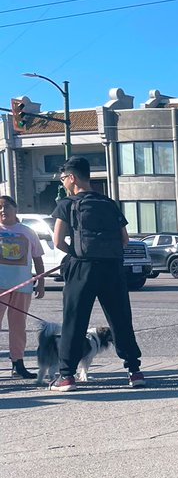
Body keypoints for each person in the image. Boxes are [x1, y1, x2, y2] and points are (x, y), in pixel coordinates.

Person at [50, 157, 144, 391]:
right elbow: (124, 239)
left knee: (75, 319)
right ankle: (134, 371)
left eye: (63, 179)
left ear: (72, 177)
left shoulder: (66, 204)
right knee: (120, 318)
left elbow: (57, 241)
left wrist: (75, 253)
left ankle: (66, 376)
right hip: (112, 267)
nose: (63, 184)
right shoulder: (109, 203)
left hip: (82, 267)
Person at [0, 194, 45, 378]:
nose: (3, 210)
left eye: (6, 206)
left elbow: (38, 259)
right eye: (0, 207)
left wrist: (40, 283)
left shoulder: (27, 231)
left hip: (21, 286)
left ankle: (17, 363)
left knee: (18, 327)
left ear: (15, 209)